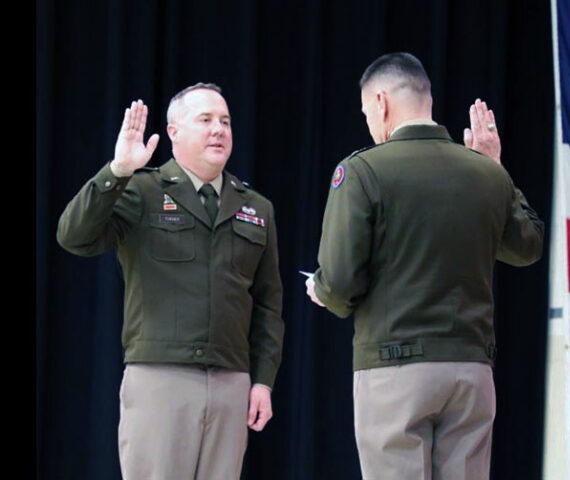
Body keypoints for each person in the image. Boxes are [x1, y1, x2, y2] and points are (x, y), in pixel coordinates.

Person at [305, 53, 544, 479]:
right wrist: (495, 165)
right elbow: (528, 247)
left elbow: (339, 281)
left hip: (395, 369)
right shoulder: (485, 173)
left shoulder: (362, 171)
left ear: (380, 102)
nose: (369, 123)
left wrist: (323, 292)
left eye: (366, 112)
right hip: (472, 370)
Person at [57, 83, 284, 480]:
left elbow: (268, 304)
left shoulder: (255, 207)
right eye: (206, 120)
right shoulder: (142, 190)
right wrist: (118, 171)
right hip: (162, 377)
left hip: (231, 381)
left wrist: (262, 380)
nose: (219, 129)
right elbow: (74, 236)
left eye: (225, 121)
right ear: (174, 131)